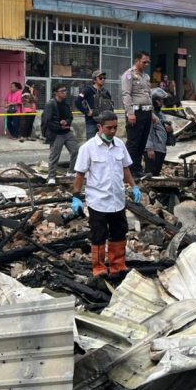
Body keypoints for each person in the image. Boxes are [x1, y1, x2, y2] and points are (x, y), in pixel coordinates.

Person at [72, 111, 141, 278]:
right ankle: (99, 268)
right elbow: (80, 174)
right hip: (98, 201)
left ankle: (118, 265)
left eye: (115, 128)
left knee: (119, 232)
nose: (112, 131)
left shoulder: (119, 145)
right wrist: (76, 197)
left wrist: (134, 186)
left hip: (117, 199)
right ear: (99, 127)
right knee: (98, 235)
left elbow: (125, 168)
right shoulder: (88, 148)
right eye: (109, 128)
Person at [121, 51, 153, 177]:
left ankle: (137, 169)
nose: (146, 64)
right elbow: (126, 94)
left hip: (146, 112)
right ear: (137, 61)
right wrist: (130, 113)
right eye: (144, 62)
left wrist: (153, 114)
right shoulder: (129, 75)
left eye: (148, 62)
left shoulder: (145, 76)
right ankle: (129, 170)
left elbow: (148, 95)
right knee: (133, 142)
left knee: (142, 142)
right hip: (136, 112)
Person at [42, 84, 80, 184]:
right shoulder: (50, 104)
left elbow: (70, 117)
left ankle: (71, 172)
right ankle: (51, 177)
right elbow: (48, 121)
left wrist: (66, 122)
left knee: (76, 150)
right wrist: (59, 125)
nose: (65, 92)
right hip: (55, 133)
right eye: (62, 91)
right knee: (54, 156)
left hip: (67, 132)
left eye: (65, 90)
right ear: (56, 93)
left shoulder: (66, 103)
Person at [76, 70, 114, 140]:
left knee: (104, 144)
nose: (103, 79)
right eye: (100, 78)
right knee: (92, 145)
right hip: (92, 122)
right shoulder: (88, 90)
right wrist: (86, 112)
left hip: (104, 123)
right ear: (94, 80)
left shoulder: (106, 92)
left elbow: (110, 105)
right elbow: (77, 101)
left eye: (104, 78)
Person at [145, 89, 173, 176]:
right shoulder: (150, 115)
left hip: (161, 148)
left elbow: (164, 128)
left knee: (157, 173)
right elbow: (147, 133)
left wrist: (169, 130)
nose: (161, 102)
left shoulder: (160, 114)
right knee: (150, 173)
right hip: (153, 149)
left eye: (162, 100)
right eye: (159, 100)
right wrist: (149, 149)